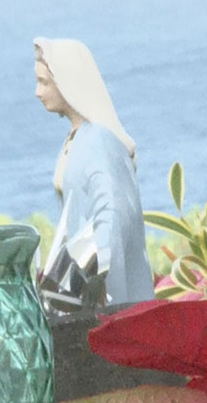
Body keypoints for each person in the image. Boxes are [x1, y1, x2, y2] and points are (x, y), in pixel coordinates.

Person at [33, 37, 154, 305]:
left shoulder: (98, 141)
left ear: (67, 83)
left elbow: (110, 217)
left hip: (99, 296)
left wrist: (93, 286)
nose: (38, 92)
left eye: (44, 83)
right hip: (78, 287)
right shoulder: (76, 139)